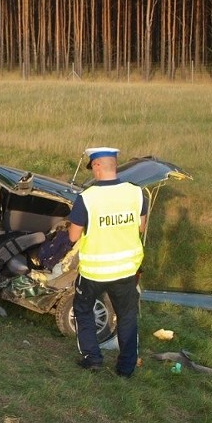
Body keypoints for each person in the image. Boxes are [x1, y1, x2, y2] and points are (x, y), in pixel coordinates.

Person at [67, 147, 147, 377]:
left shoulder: (87, 198)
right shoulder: (136, 193)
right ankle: (126, 368)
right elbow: (140, 226)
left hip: (94, 272)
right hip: (126, 270)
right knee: (127, 316)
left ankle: (92, 358)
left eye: (92, 166)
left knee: (83, 310)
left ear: (98, 166)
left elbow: (73, 236)